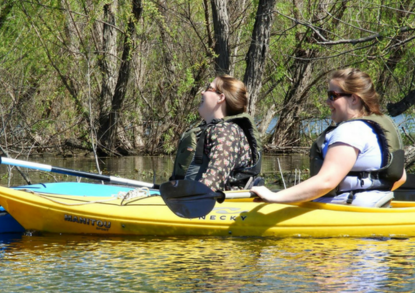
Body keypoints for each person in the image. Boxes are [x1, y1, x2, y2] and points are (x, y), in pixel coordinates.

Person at [251, 68, 406, 207]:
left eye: (333, 96)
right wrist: (370, 194)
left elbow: (326, 181)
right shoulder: (372, 127)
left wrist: (274, 196)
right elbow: (400, 177)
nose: (327, 101)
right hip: (376, 205)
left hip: (348, 211)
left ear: (354, 98)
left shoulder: (349, 131)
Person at [170, 75, 262, 191]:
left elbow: (215, 179)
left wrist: (191, 197)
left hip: (221, 204)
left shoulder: (226, 131)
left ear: (221, 97)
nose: (202, 93)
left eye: (209, 89)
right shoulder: (214, 129)